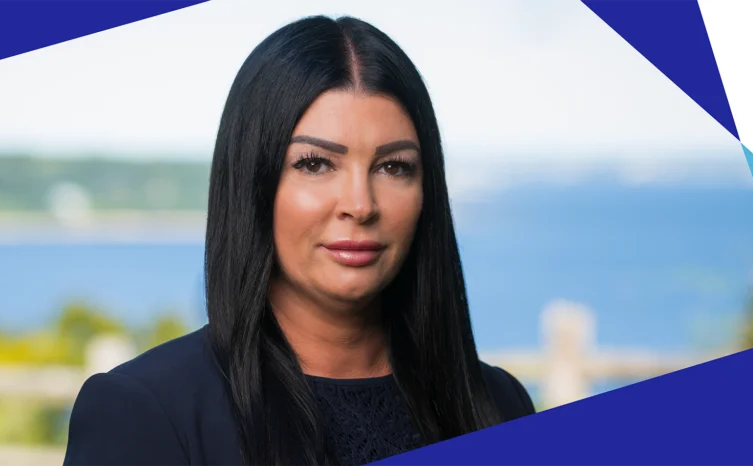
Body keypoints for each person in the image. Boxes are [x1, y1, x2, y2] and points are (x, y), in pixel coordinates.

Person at [62, 15, 535, 466]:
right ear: (254, 183)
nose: (360, 204)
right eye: (315, 164)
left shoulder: (499, 403)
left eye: (394, 167)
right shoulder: (147, 412)